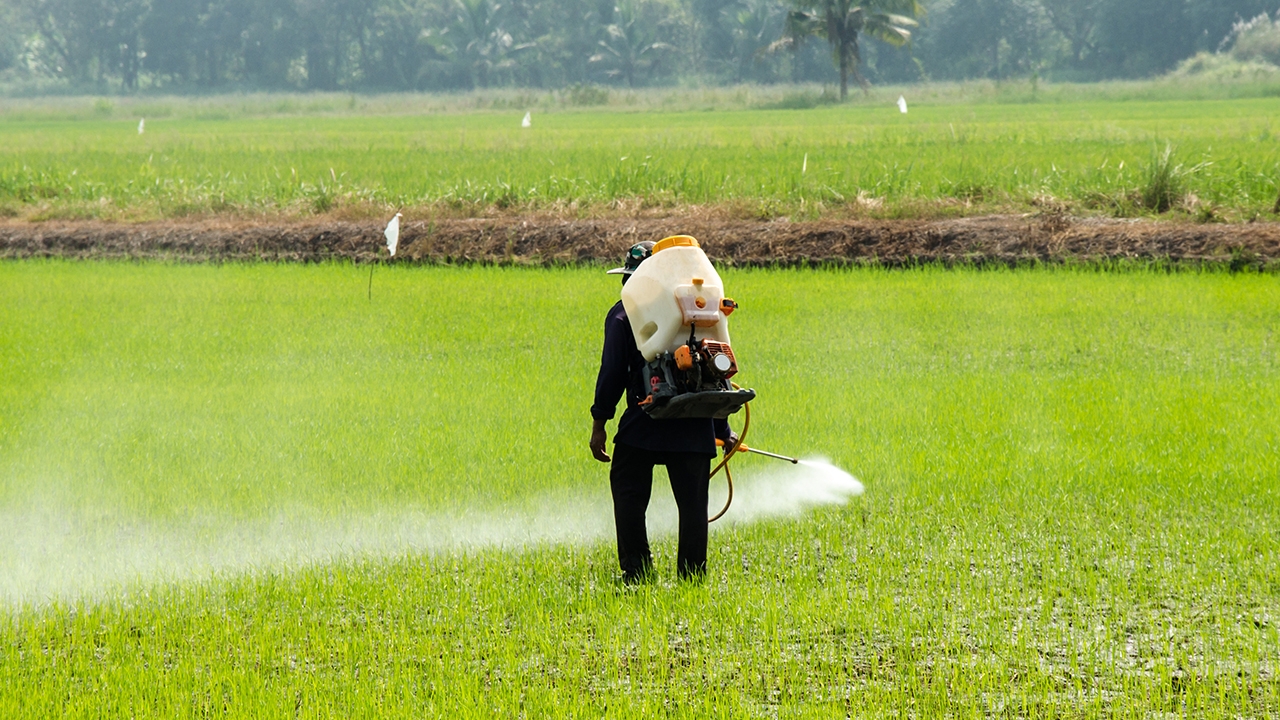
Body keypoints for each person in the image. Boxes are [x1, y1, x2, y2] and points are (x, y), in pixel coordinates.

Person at [590, 241, 737, 583]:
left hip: (645, 422)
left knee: (628, 496)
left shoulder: (623, 315)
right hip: (695, 426)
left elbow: (612, 372)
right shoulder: (697, 311)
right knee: (693, 508)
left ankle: (638, 575)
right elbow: (714, 373)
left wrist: (600, 423)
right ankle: (692, 578)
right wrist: (721, 426)